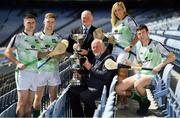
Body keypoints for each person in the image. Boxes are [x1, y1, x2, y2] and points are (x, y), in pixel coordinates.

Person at [115, 24, 176, 115]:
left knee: (137, 84)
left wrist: (160, 65)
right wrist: (131, 64)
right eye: (139, 34)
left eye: (143, 32)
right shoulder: (138, 46)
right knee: (118, 89)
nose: (141, 35)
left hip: (153, 75)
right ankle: (143, 100)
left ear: (148, 33)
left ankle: (144, 105)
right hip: (141, 74)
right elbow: (140, 64)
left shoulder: (156, 44)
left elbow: (172, 57)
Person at [69, 39, 116, 117]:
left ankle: (92, 114)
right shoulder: (97, 57)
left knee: (85, 95)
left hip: (100, 87)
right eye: (93, 47)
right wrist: (81, 74)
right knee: (73, 90)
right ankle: (79, 115)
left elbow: (105, 76)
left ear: (103, 47)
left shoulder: (109, 59)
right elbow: (92, 72)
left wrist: (91, 68)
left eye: (97, 47)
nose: (95, 49)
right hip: (91, 84)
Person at [4, 14, 39, 117]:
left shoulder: (37, 39)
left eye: (33, 22)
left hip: (35, 73)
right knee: (22, 103)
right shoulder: (18, 37)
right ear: (24, 24)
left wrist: (51, 53)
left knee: (29, 103)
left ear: (35, 24)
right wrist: (17, 63)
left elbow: (39, 54)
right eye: (28, 22)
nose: (31, 25)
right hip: (23, 74)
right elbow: (7, 52)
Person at [33, 13, 62, 117]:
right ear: (44, 22)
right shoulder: (36, 36)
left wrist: (57, 55)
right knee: (37, 97)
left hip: (53, 71)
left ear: (55, 23)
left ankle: (52, 116)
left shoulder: (58, 38)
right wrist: (48, 53)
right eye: (48, 21)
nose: (50, 24)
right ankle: (36, 116)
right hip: (39, 71)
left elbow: (61, 56)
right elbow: (34, 55)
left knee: (53, 97)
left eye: (52, 22)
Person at [111, 1, 139, 109]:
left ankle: (120, 101)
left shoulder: (128, 20)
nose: (117, 12)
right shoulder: (116, 22)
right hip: (116, 50)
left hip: (126, 51)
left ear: (124, 9)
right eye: (115, 11)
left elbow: (138, 33)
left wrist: (131, 46)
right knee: (119, 75)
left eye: (119, 9)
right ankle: (124, 101)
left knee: (121, 74)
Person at [59, 10, 97, 82]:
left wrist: (87, 52)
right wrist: (74, 48)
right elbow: (68, 48)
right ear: (81, 19)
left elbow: (100, 49)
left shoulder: (97, 31)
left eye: (87, 17)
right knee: (75, 85)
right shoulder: (74, 31)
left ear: (92, 18)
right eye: (83, 18)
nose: (85, 19)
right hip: (76, 64)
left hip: (90, 63)